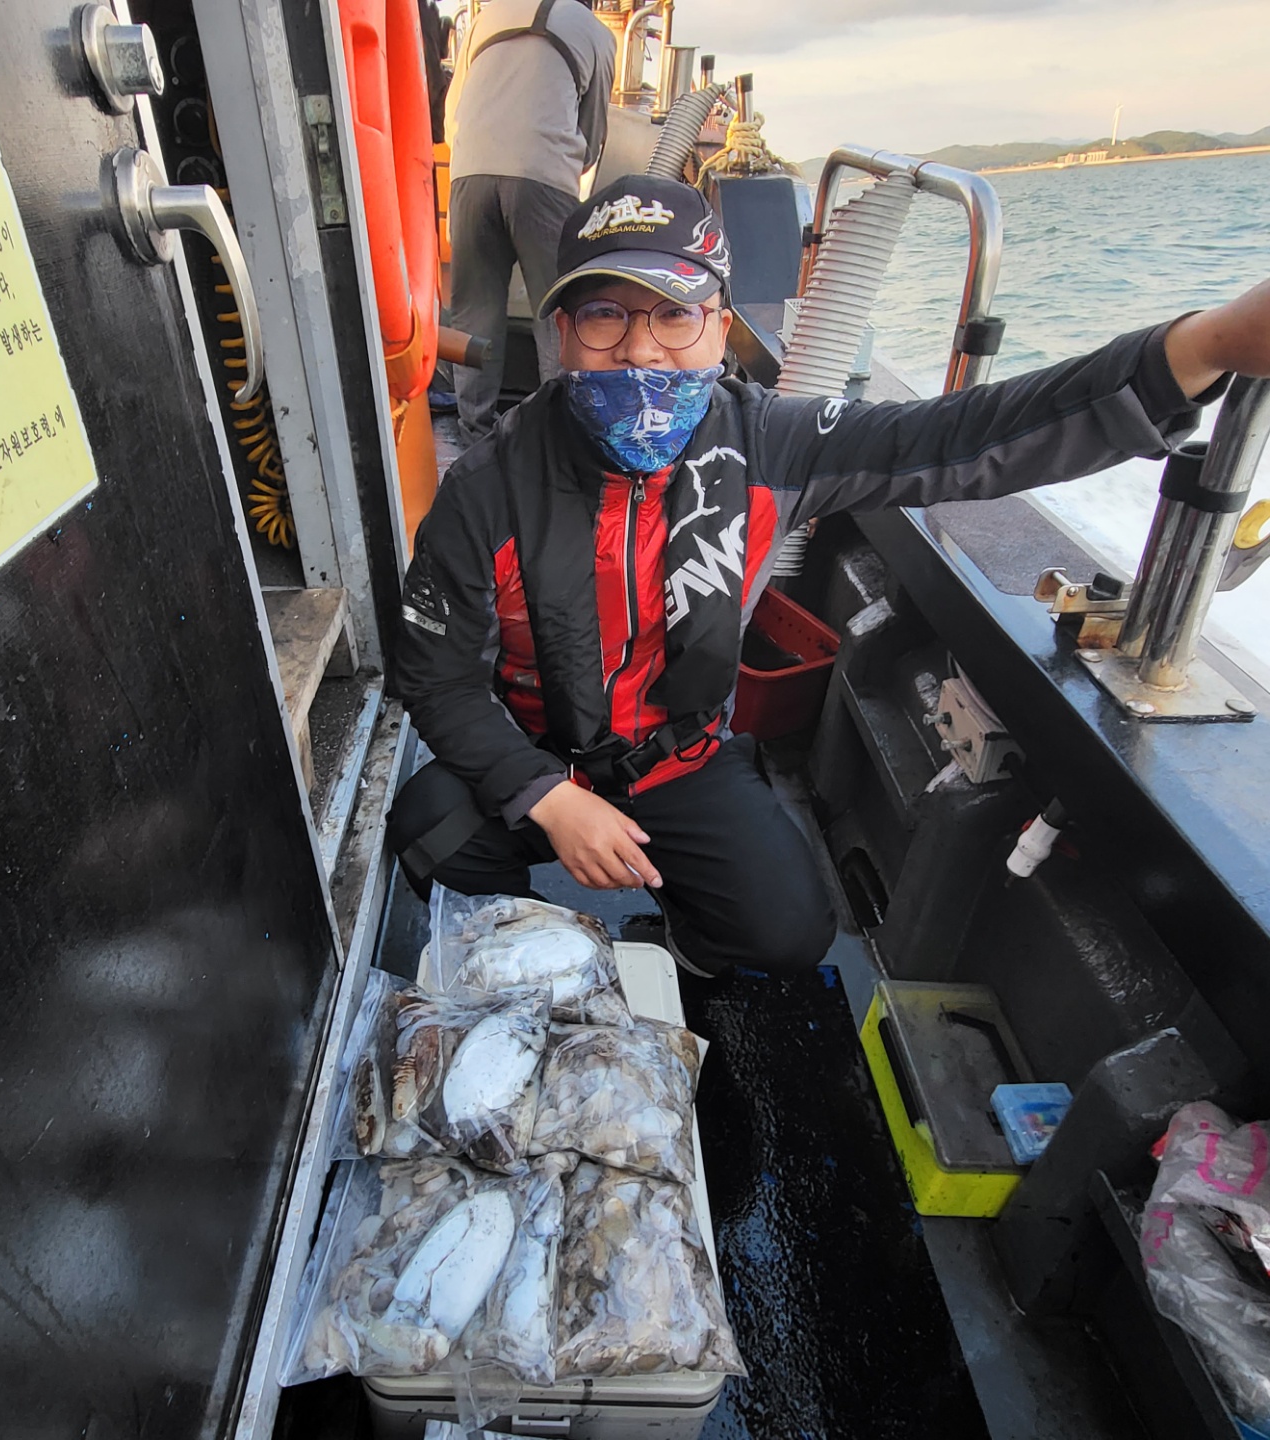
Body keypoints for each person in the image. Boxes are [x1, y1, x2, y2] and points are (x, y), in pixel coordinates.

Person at [388, 175, 1270, 978]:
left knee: (784, 934)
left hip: (680, 761)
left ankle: (672, 953)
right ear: (561, 332)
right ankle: (531, 962)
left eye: (675, 314)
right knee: (432, 831)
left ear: (720, 325)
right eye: (604, 316)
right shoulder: (487, 486)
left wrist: (1210, 344)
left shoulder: (770, 442)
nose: (641, 351)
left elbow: (963, 436)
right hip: (541, 752)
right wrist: (547, 797)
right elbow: (437, 677)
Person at [443, 0, 618, 445]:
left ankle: (474, 434)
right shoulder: (595, 33)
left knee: (473, 311)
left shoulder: (484, 19)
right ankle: (553, 436)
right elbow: (593, 134)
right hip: (544, 176)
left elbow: (452, 115)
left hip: (469, 172)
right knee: (556, 311)